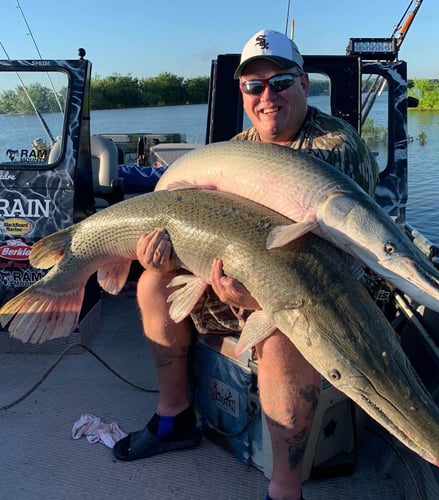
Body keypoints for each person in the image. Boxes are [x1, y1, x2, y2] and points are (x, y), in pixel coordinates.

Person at [113, 29, 378, 500]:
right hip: (231, 279)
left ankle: (285, 488)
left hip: (316, 296)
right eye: (254, 86)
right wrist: (170, 255)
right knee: (152, 283)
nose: (267, 96)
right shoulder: (234, 149)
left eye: (280, 81)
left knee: (280, 332)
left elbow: (341, 267)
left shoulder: (336, 147)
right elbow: (206, 231)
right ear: (242, 92)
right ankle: (175, 418)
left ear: (303, 83)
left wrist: (255, 294)